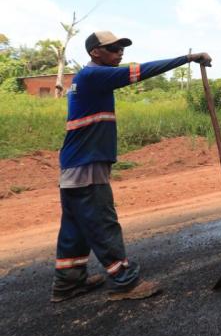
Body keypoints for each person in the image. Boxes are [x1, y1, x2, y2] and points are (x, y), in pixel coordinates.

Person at [52, 31, 211, 303]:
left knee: (75, 227)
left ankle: (68, 282)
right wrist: (187, 58)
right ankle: (124, 281)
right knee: (103, 223)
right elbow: (142, 71)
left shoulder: (88, 79)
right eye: (113, 48)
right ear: (95, 53)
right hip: (86, 167)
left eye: (120, 48)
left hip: (75, 166)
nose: (119, 52)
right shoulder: (93, 76)